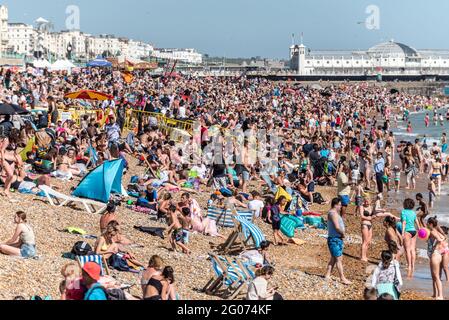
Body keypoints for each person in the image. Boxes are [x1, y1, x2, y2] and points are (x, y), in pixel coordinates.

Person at [324, 198, 352, 285]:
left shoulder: (334, 213)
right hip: (334, 239)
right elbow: (336, 227)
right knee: (338, 259)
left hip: (336, 239)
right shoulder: (333, 214)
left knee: (333, 258)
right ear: (335, 205)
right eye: (339, 205)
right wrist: (342, 233)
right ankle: (342, 278)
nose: (340, 207)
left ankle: (327, 275)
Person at [427, 217, 448, 300]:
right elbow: (444, 237)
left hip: (435, 255)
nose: (426, 224)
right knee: (434, 276)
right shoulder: (437, 230)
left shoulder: (432, 231)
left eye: (428, 223)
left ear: (431, 224)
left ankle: (440, 296)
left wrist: (438, 242)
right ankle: (435, 294)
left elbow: (440, 239)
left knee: (436, 276)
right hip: (438, 254)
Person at [401, 198, 417, 279]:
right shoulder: (413, 212)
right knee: (413, 249)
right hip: (414, 231)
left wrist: (402, 233)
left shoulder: (403, 212)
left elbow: (404, 222)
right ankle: (413, 265)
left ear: (405, 204)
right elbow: (416, 222)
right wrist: (420, 229)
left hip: (407, 231)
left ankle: (409, 266)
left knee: (407, 249)